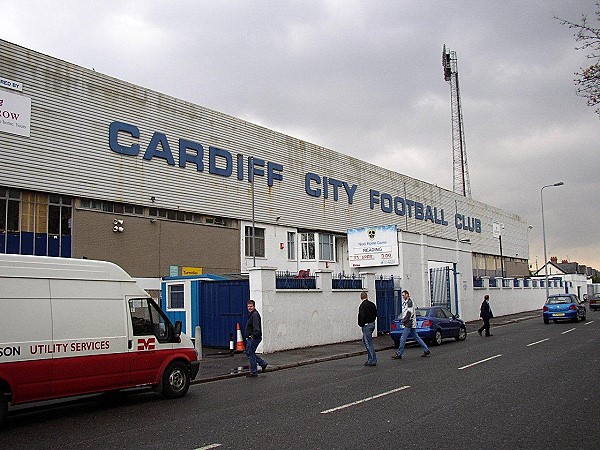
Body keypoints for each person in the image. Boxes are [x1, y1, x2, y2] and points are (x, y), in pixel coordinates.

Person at [392, 290, 430, 359]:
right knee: (416, 337)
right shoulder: (406, 302)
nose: (403, 297)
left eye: (403, 295)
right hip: (410, 322)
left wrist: (404, 320)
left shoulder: (409, 302)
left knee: (403, 338)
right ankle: (426, 349)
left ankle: (399, 353)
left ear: (407, 295)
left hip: (409, 322)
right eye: (402, 295)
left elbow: (409, 313)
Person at [244, 299, 268, 377]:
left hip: (254, 338)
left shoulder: (254, 315)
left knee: (250, 353)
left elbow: (257, 328)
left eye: (251, 306)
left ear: (254, 306)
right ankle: (262, 363)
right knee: (249, 353)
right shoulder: (251, 314)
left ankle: (254, 372)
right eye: (248, 306)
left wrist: (252, 336)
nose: (249, 308)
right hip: (251, 337)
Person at [357, 291, 377, 366]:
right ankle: (370, 359)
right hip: (372, 324)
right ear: (367, 296)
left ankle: (372, 360)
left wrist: (361, 324)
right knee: (366, 341)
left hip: (366, 325)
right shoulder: (372, 304)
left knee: (368, 343)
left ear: (361, 297)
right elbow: (375, 313)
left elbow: (362, 316)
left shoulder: (362, 306)